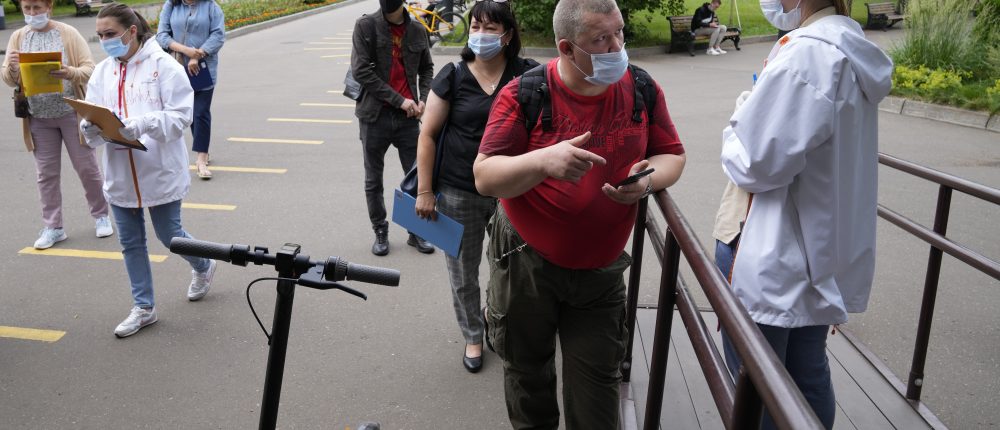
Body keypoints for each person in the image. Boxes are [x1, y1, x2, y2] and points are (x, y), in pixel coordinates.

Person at [473, 0, 687, 427]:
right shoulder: (524, 93)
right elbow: (485, 175)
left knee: (597, 390)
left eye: (619, 32)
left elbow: (672, 155)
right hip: (527, 264)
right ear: (567, 48)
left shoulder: (640, 87)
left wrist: (646, 182)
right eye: (601, 39)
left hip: (600, 273)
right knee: (528, 375)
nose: (618, 47)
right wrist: (542, 161)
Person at [717, 0, 892, 428]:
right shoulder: (848, 47)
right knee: (807, 373)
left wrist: (739, 117)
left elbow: (756, 163)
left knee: (760, 384)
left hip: (772, 249)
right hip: (818, 250)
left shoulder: (808, 53)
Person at [413, 1, 538, 374]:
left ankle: (497, 318)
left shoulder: (527, 75)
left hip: (511, 191)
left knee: (514, 269)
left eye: (490, 28)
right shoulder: (452, 75)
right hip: (458, 192)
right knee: (462, 271)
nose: (481, 35)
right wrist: (424, 191)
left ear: (507, 35)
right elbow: (427, 135)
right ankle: (472, 334)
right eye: (476, 27)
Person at [81, 4, 218, 338]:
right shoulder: (102, 72)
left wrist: (143, 123)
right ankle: (144, 308)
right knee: (130, 243)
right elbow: (93, 114)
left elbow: (181, 116)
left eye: (110, 34)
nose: (105, 41)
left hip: (158, 168)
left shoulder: (164, 66)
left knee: (170, 236)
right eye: (100, 35)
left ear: (131, 31)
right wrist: (90, 128)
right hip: (119, 171)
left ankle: (204, 265)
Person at [2, 0, 113, 250]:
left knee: (87, 168)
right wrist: (13, 68)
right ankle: (53, 227)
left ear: (49, 7)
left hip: (71, 113)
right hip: (38, 116)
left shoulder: (68, 33)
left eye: (37, 7)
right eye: (27, 8)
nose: (32, 13)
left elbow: (90, 69)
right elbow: (8, 78)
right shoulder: (18, 37)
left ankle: (101, 215)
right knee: (46, 175)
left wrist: (69, 72)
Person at [351, 0, 435, 257]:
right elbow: (360, 71)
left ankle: (416, 231)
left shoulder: (417, 30)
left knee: (417, 177)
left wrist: (424, 98)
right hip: (374, 116)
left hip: (408, 118)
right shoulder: (366, 26)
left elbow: (427, 68)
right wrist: (400, 100)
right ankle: (380, 229)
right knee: (373, 180)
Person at [156, 0, 225, 180]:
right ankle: (202, 149)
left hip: (203, 68)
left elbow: (218, 35)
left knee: (200, 112)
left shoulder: (211, 7)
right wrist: (186, 51)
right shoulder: (171, 5)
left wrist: (199, 54)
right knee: (189, 113)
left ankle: (201, 159)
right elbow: (161, 35)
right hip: (176, 68)